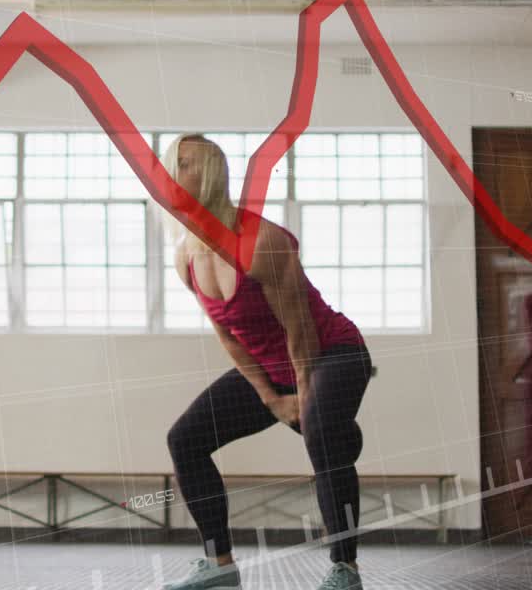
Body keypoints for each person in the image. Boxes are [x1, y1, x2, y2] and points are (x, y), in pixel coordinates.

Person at [157, 133, 373, 590]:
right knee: (185, 439)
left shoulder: (261, 242)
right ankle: (219, 564)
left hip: (332, 352)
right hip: (271, 369)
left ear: (210, 173)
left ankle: (344, 568)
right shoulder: (185, 258)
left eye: (184, 163)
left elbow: (301, 329)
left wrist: (304, 399)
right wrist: (272, 400)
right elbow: (229, 337)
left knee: (321, 435)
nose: (172, 172)